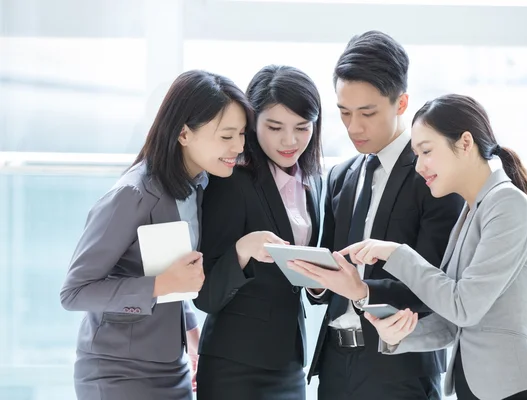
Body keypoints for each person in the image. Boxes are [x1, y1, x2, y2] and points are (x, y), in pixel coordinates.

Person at [341, 94, 527, 400]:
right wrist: (397, 336)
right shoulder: (472, 211)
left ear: (465, 143)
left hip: (516, 388)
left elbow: (463, 307)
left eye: (426, 151)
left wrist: (397, 253)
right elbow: (451, 323)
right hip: (477, 390)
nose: (419, 167)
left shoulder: (507, 204)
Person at [287, 31, 463, 400]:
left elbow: (437, 284)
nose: (353, 128)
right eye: (344, 113)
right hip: (335, 366)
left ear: (402, 103)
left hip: (400, 369)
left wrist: (364, 291)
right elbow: (328, 281)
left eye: (367, 113)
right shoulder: (340, 176)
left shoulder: (432, 175)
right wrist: (317, 279)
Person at [60, 70, 252, 400]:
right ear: (183, 134)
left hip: (171, 365)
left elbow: (167, 267)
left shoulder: (199, 186)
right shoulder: (131, 195)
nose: (239, 146)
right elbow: (75, 292)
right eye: (226, 136)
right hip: (117, 371)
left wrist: (190, 331)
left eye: (242, 134)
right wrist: (163, 285)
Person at [193, 65, 324, 400]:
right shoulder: (232, 182)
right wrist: (242, 250)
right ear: (252, 125)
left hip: (290, 361)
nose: (289, 140)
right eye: (275, 127)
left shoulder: (313, 183)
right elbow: (205, 294)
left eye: (302, 127)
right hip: (235, 365)